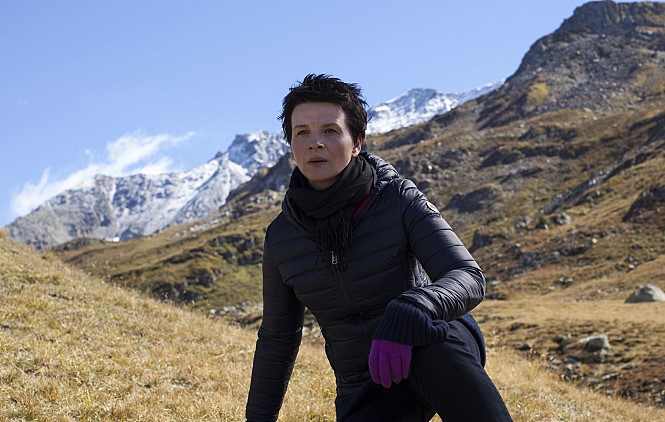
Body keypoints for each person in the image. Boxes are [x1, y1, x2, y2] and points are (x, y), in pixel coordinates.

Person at [246, 74, 512, 421]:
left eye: (330, 130)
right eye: (302, 132)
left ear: (356, 142)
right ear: (291, 144)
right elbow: (278, 339)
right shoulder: (281, 238)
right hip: (365, 382)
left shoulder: (398, 198)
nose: (315, 143)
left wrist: (414, 306)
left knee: (434, 348)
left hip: (431, 340)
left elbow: (467, 275)